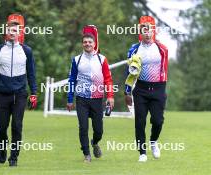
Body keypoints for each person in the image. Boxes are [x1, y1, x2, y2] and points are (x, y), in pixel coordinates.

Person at [0, 14, 37, 166]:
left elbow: (32, 73)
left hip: (20, 94)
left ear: (20, 33)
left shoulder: (27, 51)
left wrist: (33, 93)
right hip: (2, 95)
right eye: (10, 30)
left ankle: (14, 157)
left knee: (17, 126)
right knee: (1, 128)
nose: (12, 33)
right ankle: (2, 148)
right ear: (6, 32)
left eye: (15, 30)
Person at [67, 25, 114, 163]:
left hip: (97, 99)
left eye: (90, 42)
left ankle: (95, 142)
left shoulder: (102, 59)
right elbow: (72, 80)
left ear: (94, 44)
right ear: (82, 44)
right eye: (85, 42)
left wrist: (110, 96)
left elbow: (108, 79)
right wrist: (70, 99)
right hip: (81, 98)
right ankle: (87, 154)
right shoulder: (77, 60)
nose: (87, 44)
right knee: (83, 127)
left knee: (98, 130)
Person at [124, 16, 168, 162]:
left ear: (153, 31)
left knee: (158, 120)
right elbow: (129, 72)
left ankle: (153, 141)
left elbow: (165, 69)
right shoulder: (134, 49)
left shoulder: (162, 49)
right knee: (140, 122)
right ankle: (142, 152)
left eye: (150, 30)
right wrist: (127, 91)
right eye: (144, 29)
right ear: (140, 31)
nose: (147, 33)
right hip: (141, 89)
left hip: (158, 88)